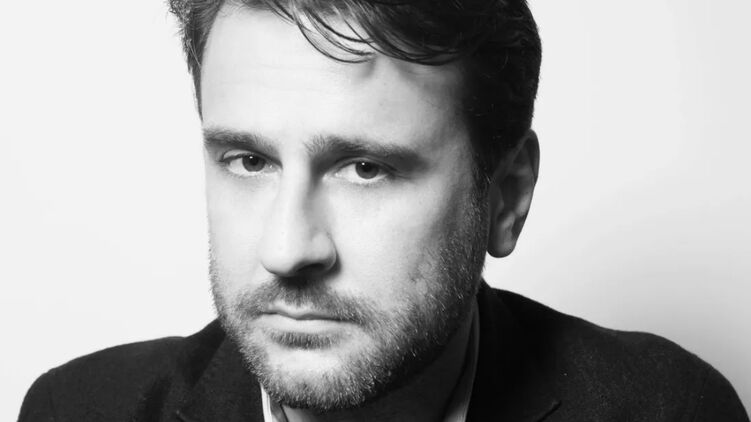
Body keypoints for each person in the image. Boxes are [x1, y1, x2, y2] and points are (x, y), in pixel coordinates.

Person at [17, 0, 749, 421]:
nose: (286, 248)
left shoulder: (667, 410)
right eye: (249, 161)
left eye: (365, 168)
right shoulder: (78, 411)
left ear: (505, 196)